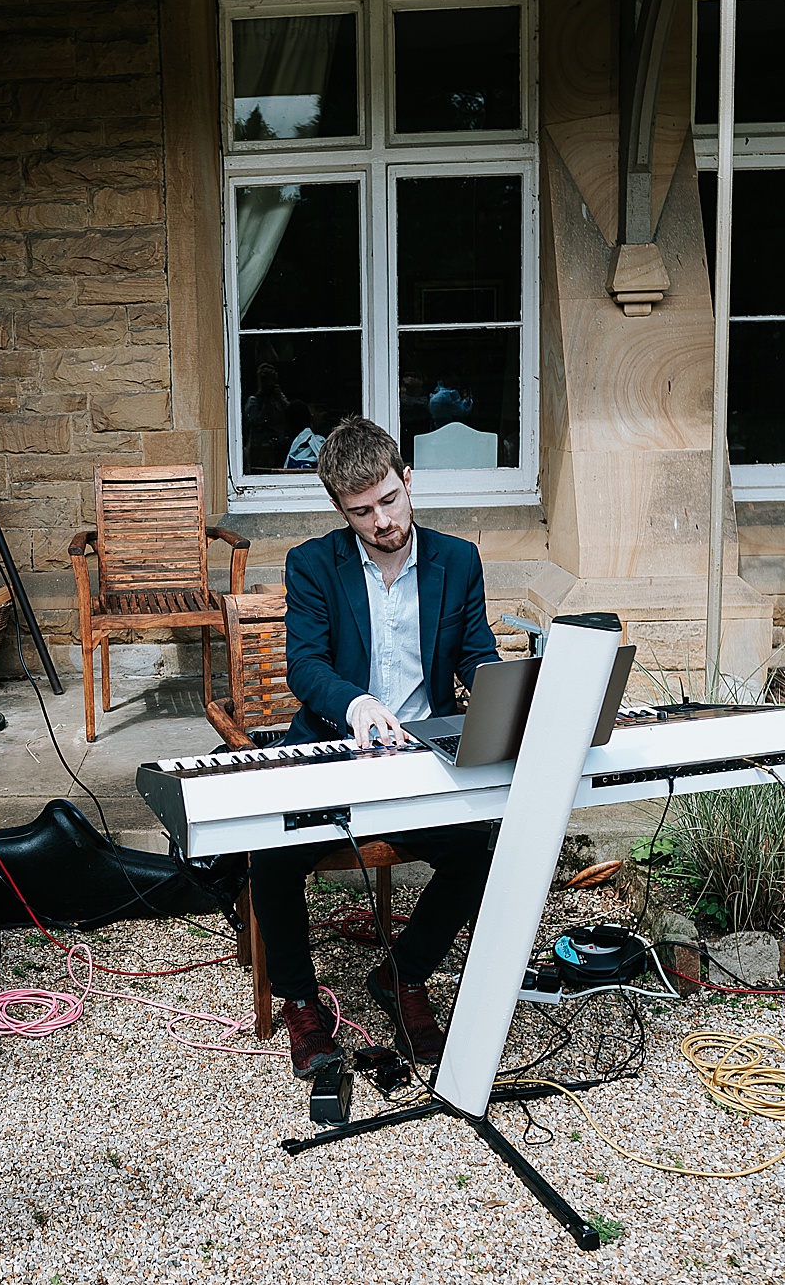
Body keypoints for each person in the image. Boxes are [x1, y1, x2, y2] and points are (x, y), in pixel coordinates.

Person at [253, 416, 500, 1078]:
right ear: (340, 509)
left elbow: (477, 659)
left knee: (478, 846)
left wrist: (511, 695)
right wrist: (355, 702)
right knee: (270, 854)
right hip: (337, 753)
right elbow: (304, 667)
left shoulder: (458, 559)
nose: (382, 520)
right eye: (362, 511)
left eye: (389, 499)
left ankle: (403, 974)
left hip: (424, 758)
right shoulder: (312, 565)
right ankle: (303, 1003)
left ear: (407, 479)